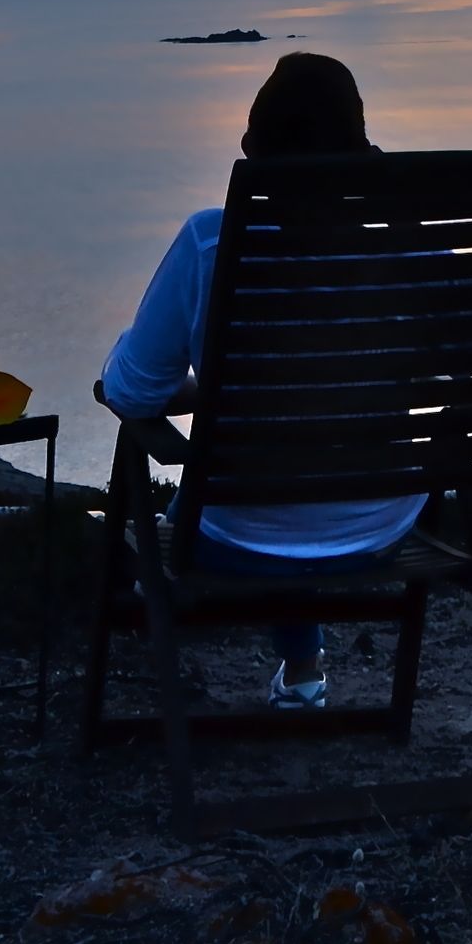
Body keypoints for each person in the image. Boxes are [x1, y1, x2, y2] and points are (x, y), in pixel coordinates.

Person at [99, 51, 397, 713]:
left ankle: (159, 605)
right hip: (387, 528)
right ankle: (301, 670)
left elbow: (131, 393)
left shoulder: (212, 240)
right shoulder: (406, 250)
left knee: (247, 512)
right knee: (295, 484)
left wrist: (150, 380)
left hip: (238, 537)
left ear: (255, 151)